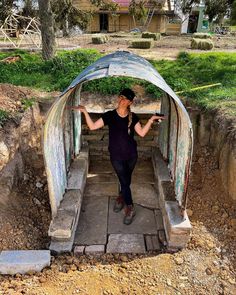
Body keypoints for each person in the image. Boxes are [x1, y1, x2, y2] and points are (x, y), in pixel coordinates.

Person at [70, 88, 165, 225]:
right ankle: (130, 207)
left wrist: (150, 120)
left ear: (130, 102)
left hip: (132, 155)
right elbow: (92, 127)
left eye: (125, 98)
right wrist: (84, 111)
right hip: (116, 156)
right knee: (124, 181)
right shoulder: (110, 115)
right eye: (120, 97)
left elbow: (142, 133)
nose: (121, 100)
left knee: (125, 180)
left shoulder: (133, 118)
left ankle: (121, 197)